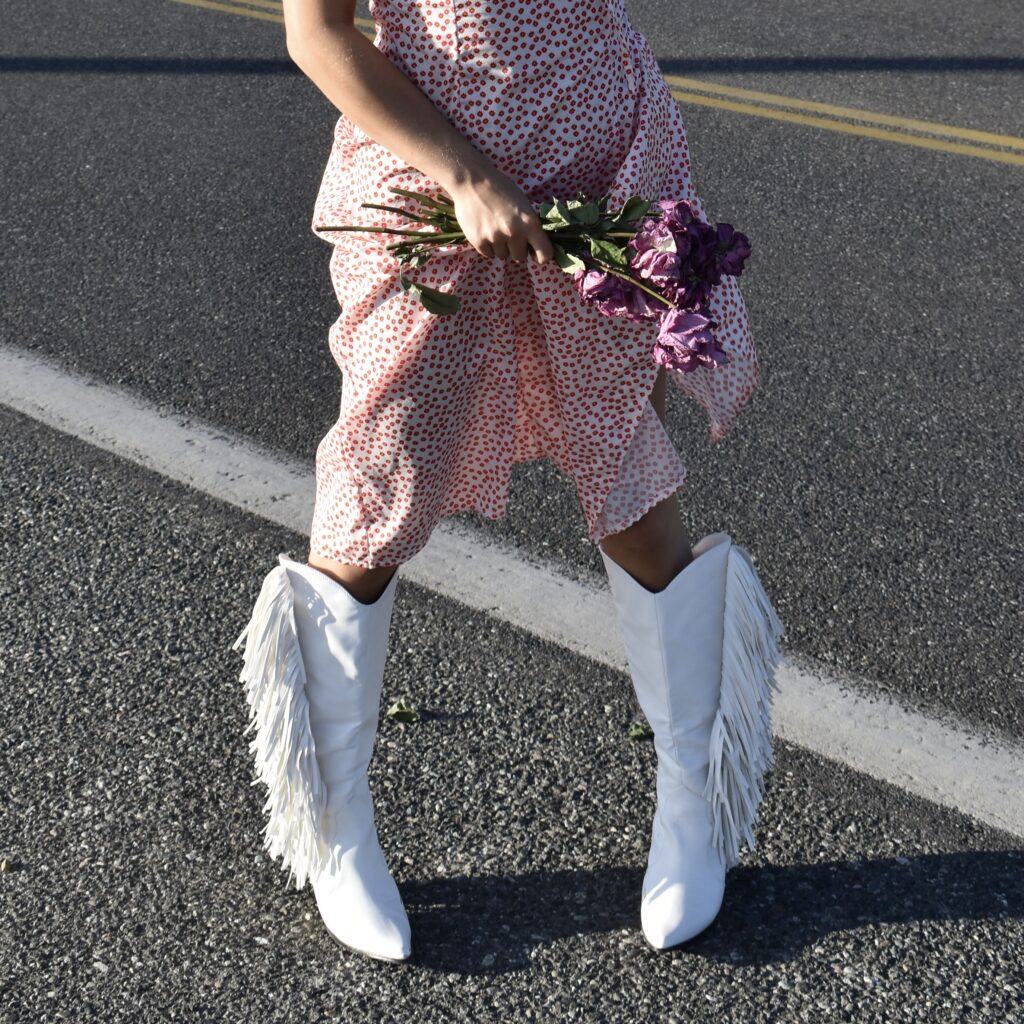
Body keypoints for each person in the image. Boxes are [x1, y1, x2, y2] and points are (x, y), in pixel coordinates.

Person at [232, 0, 785, 962]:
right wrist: (466, 174)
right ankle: (335, 826)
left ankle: (694, 806)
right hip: (426, 180)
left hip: (601, 165)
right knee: (379, 474)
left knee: (629, 481)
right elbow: (317, 30)